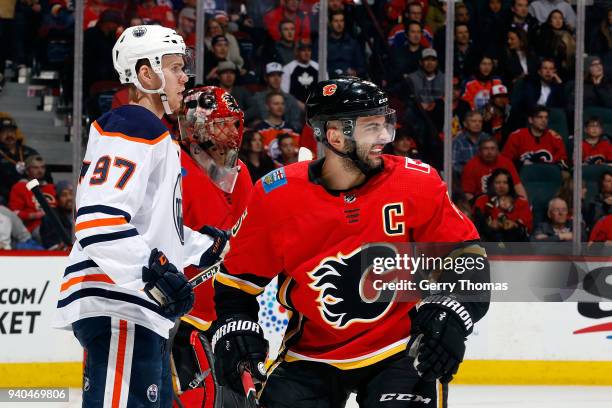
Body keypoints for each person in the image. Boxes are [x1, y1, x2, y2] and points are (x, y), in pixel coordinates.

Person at [212, 77, 489, 407]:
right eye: (371, 127)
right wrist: (235, 326)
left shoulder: (417, 183)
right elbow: (237, 283)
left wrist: (454, 312)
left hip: (399, 350)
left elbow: (468, 258)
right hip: (312, 354)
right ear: (335, 136)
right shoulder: (277, 196)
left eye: (385, 124)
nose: (385, 138)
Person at [53, 25, 228, 407]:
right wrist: (152, 273)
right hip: (120, 304)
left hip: (137, 309)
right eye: (175, 67)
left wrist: (201, 247)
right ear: (146, 74)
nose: (185, 77)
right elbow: (98, 219)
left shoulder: (153, 133)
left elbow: (153, 232)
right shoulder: (134, 124)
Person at [173, 86, 253, 407]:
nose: (232, 132)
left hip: (224, 313)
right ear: (196, 126)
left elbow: (246, 240)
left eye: (234, 123)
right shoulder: (170, 164)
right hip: (180, 314)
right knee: (196, 398)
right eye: (221, 123)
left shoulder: (241, 172)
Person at [473, 168, 532, 241]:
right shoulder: (482, 200)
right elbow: (476, 223)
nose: (501, 186)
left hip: (515, 240)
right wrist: (489, 224)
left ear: (510, 184)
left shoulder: (521, 202)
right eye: (497, 183)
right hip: (489, 240)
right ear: (491, 184)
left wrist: (514, 224)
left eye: (505, 182)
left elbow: (527, 226)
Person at [462, 138, 526, 201]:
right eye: (485, 149)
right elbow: (468, 194)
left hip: (506, 201)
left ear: (497, 151)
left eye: (492, 148)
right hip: (482, 202)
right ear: (480, 151)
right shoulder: (471, 165)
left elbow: (517, 185)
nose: (489, 152)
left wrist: (524, 203)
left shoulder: (506, 162)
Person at [503, 106, 567, 168]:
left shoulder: (555, 138)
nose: (544, 120)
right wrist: (521, 164)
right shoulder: (516, 136)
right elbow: (506, 160)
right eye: (540, 117)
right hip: (523, 175)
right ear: (530, 120)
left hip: (548, 175)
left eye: (546, 117)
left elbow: (562, 160)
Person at [8, 155, 56, 239]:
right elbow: (14, 213)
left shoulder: (51, 187)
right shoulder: (20, 187)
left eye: (42, 167)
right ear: (27, 170)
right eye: (35, 167)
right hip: (33, 228)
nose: (40, 170)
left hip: (56, 226)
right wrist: (33, 215)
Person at [0, 116, 40, 203]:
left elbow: (44, 172)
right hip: (6, 196)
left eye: (11, 131)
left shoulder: (29, 152)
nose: (9, 135)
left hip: (31, 193)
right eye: (5, 132)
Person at [327, 10, 366, 78]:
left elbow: (361, 67)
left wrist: (355, 72)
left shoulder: (353, 43)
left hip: (348, 81)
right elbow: (314, 65)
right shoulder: (322, 43)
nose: (339, 24)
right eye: (336, 21)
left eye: (341, 21)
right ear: (330, 23)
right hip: (328, 80)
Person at [40, 180, 74, 250]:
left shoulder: (83, 214)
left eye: (71, 193)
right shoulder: (51, 217)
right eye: (64, 195)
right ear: (57, 199)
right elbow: (51, 245)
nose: (69, 198)